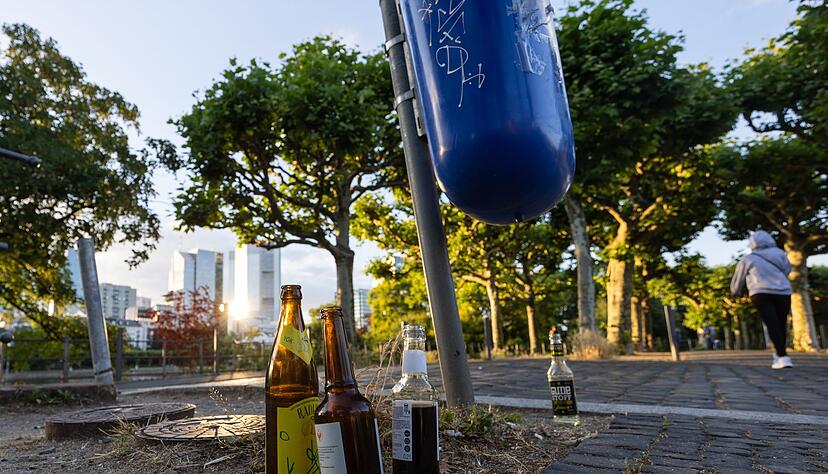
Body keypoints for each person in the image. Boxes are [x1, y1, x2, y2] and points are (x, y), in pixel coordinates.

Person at [730, 230, 793, 369]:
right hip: (783, 291)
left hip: (760, 292)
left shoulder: (749, 258)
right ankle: (780, 354)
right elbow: (788, 270)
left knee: (771, 322)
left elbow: (738, 278)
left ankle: (782, 356)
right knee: (780, 322)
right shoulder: (780, 253)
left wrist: (735, 292)